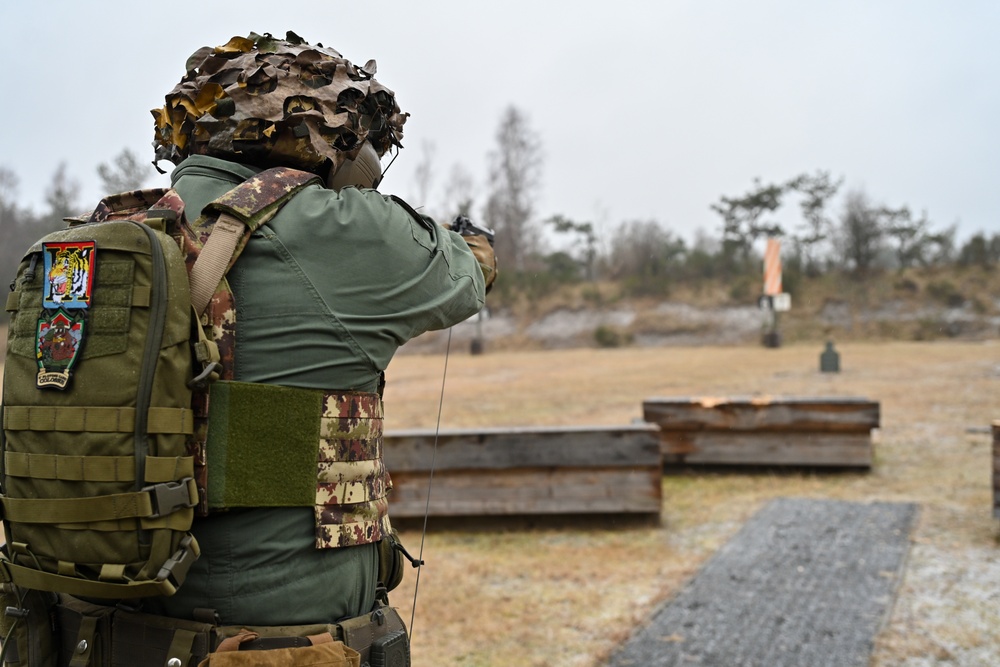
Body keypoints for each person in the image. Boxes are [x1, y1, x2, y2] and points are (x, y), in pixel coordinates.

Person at [141, 30, 496, 654]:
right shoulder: (335, 226)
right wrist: (477, 246)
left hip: (85, 627)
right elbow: (463, 279)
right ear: (329, 137)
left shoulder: (112, 235)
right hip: (268, 639)